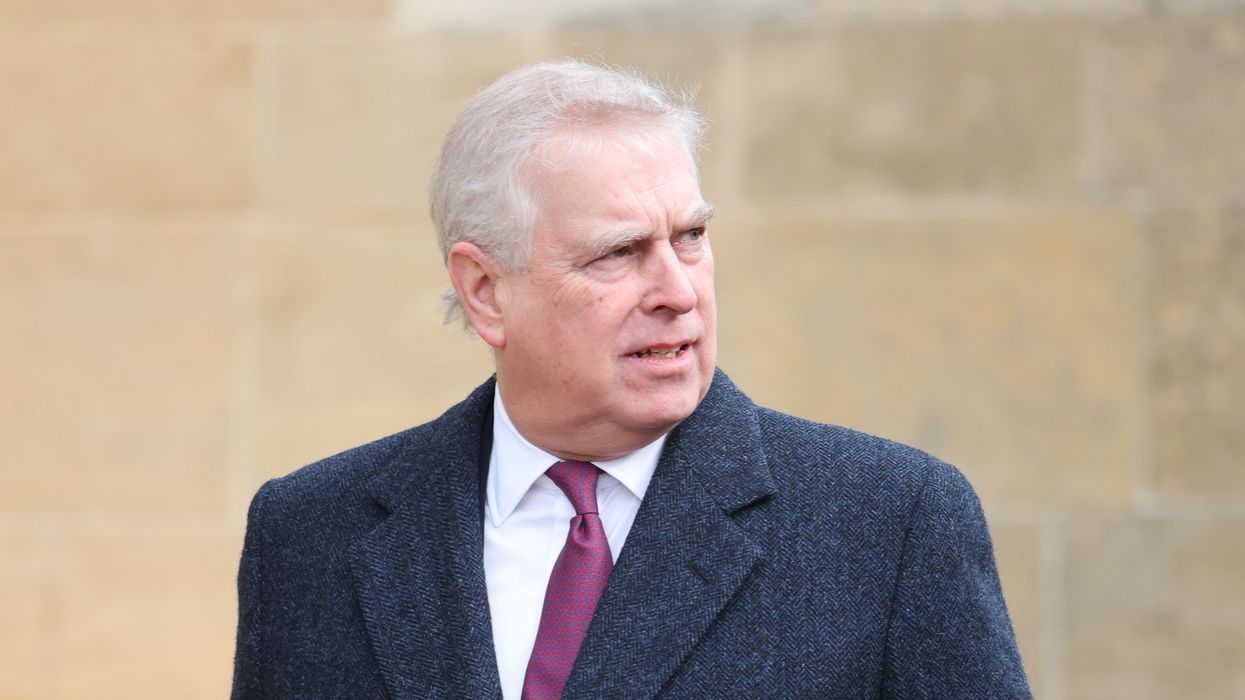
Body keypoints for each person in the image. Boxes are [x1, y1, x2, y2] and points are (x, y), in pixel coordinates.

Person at [231, 60, 1031, 699]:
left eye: (690, 237)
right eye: (617, 253)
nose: (677, 292)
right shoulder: (307, 533)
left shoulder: (889, 522)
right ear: (485, 291)